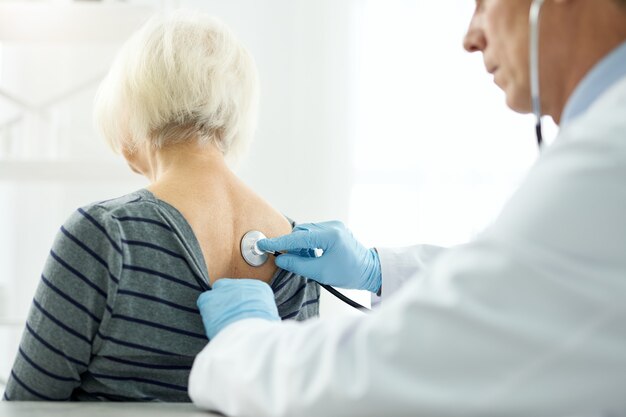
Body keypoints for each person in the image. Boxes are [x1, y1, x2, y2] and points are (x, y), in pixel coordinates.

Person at [188, 0, 626, 416]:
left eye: (483, 3)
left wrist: (242, 345)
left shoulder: (609, 159)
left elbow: (387, 371)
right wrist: (377, 270)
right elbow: (530, 289)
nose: (470, 37)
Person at [3, 11, 319, 402]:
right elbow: (299, 401)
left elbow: (26, 407)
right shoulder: (298, 249)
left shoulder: (103, 234)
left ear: (132, 113)